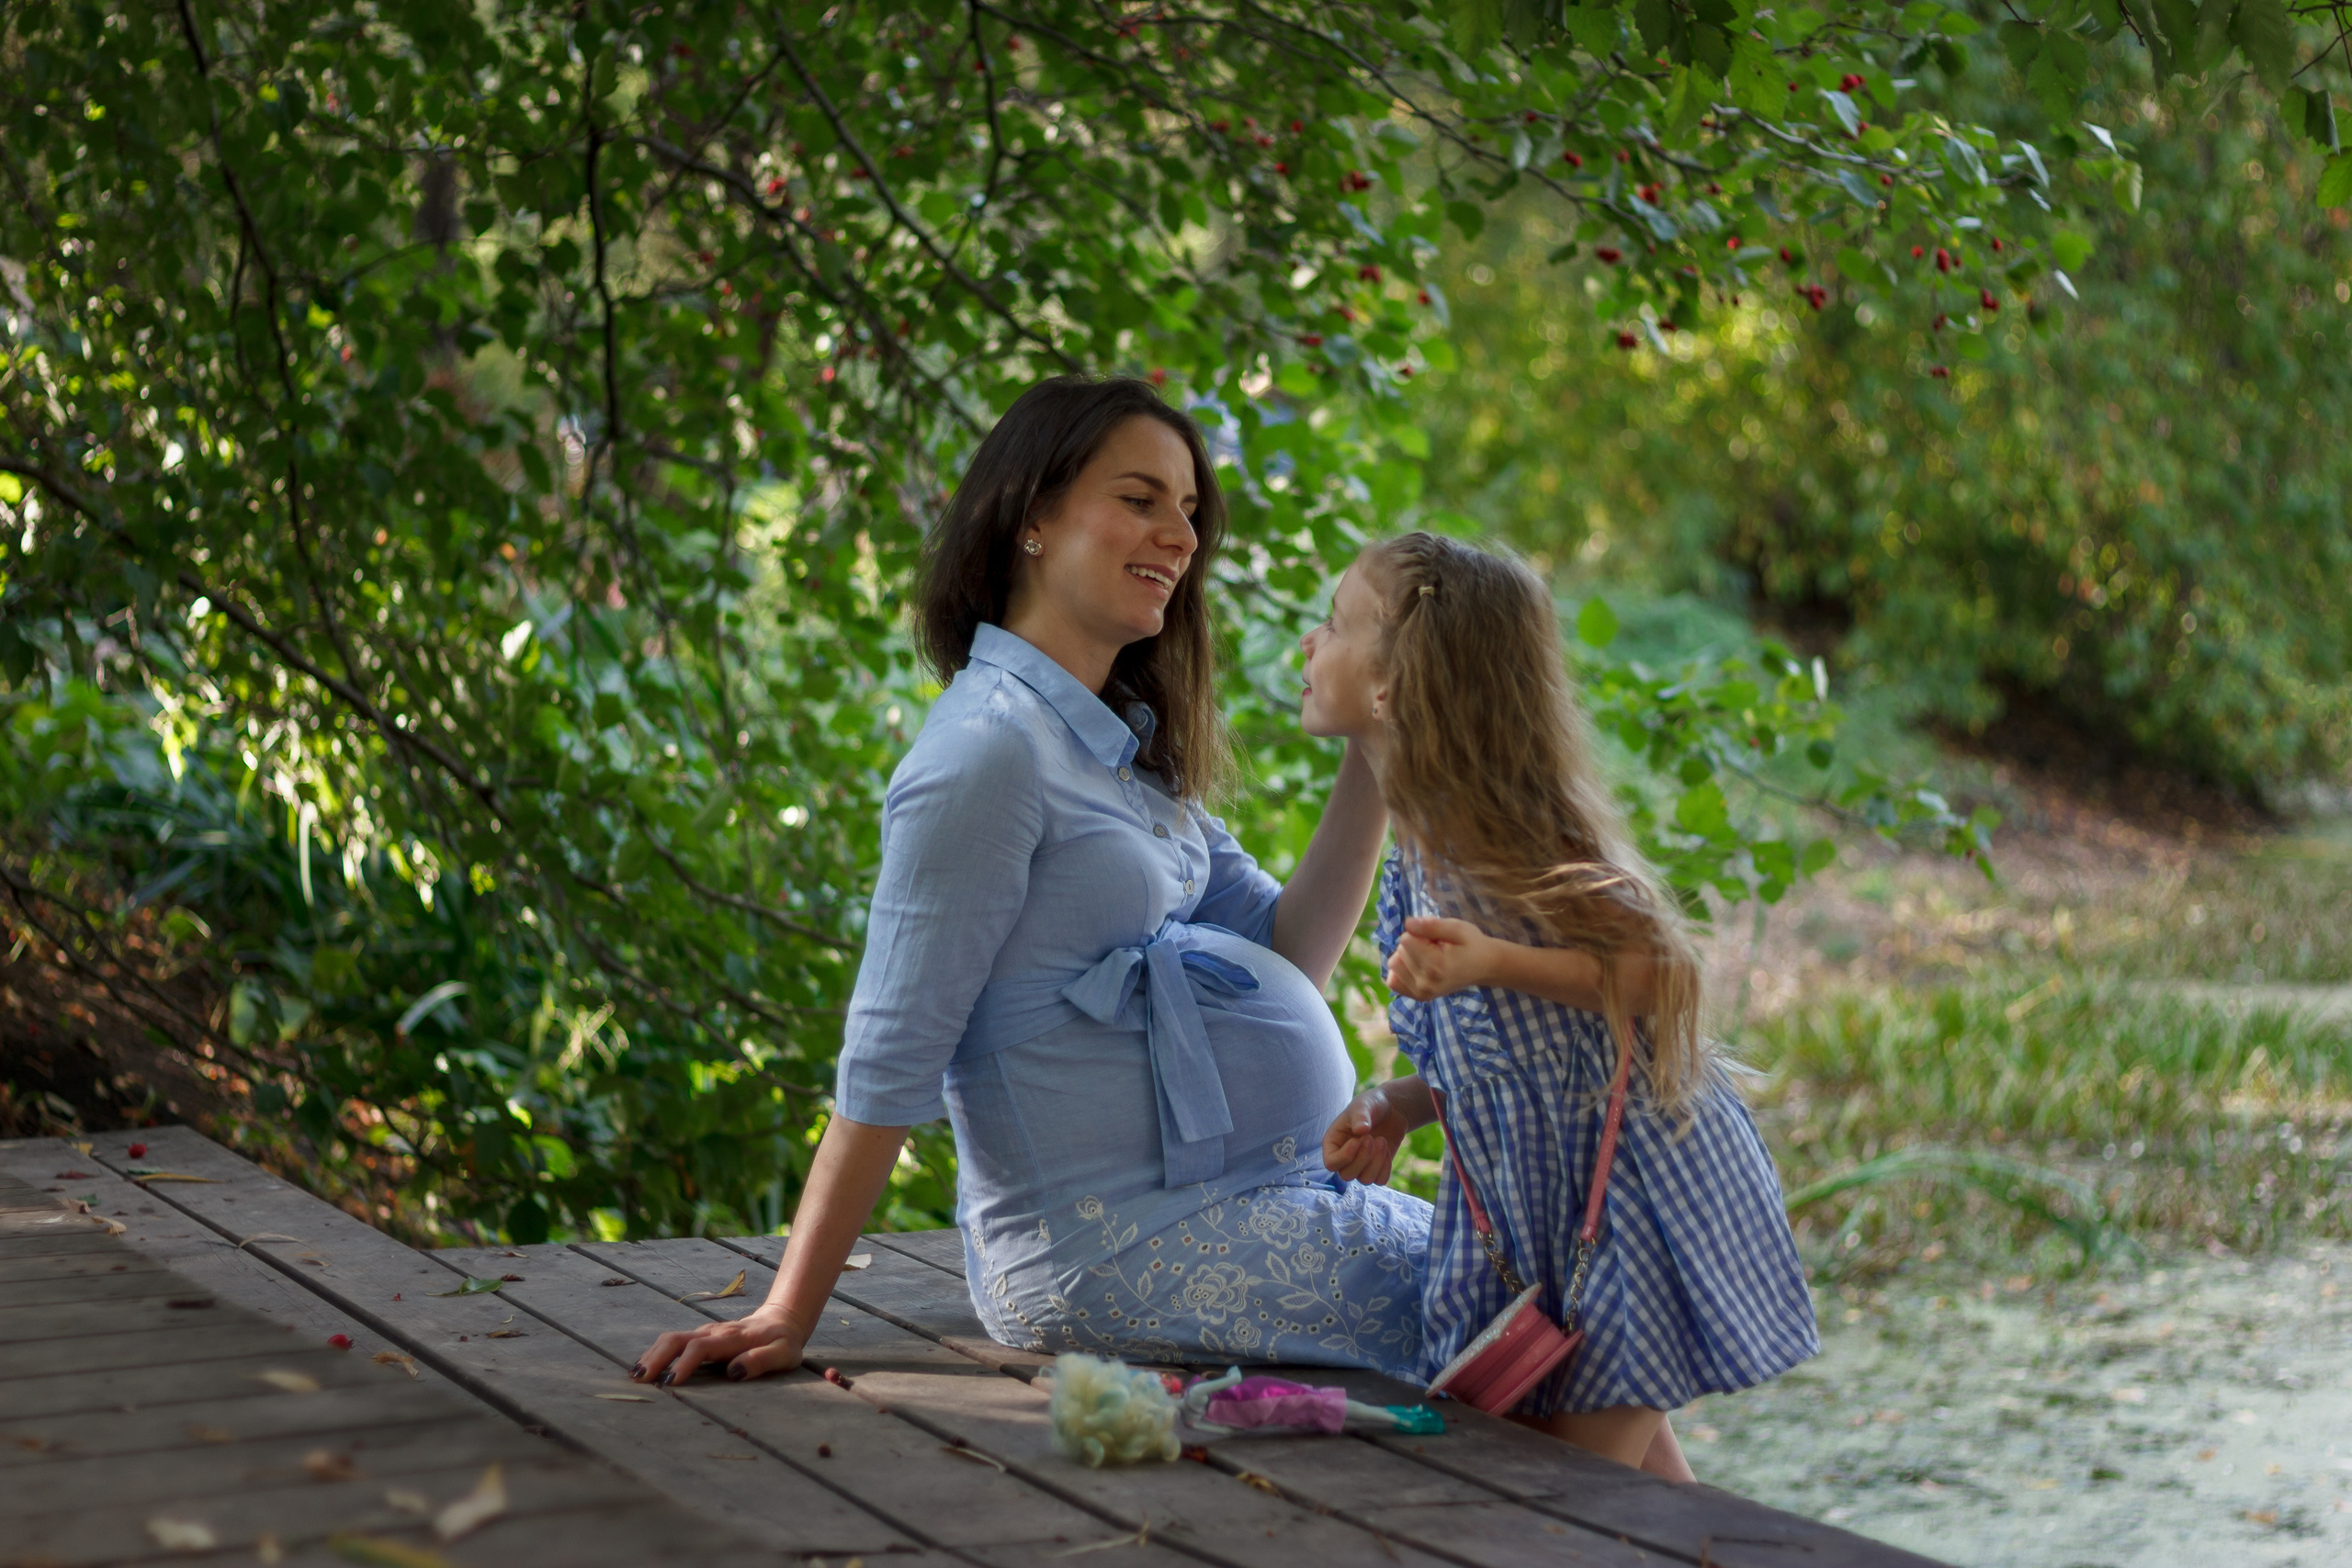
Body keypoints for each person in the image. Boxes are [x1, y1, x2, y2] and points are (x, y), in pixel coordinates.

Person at [632, 377, 1429, 1389]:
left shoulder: (1114, 752)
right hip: (1105, 1255)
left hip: (1238, 1203)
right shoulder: (988, 754)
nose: (1180, 538)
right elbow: (891, 1052)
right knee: (1512, 1310)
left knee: (1531, 1286)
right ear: (1031, 517)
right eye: (1141, 499)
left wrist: (1373, 746)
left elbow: (1288, 954)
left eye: (1189, 512)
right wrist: (789, 1309)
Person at [1309, 532, 1818, 1478]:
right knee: (1625, 1513)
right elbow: (1500, 1058)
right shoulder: (1414, 862)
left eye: (1335, 624)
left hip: (1632, 1213)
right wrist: (1401, 1106)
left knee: (1540, 1502)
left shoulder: (1504, 835)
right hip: (1543, 1236)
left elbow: (1662, 975)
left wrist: (1495, 959)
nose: (1308, 644)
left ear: (1394, 685)